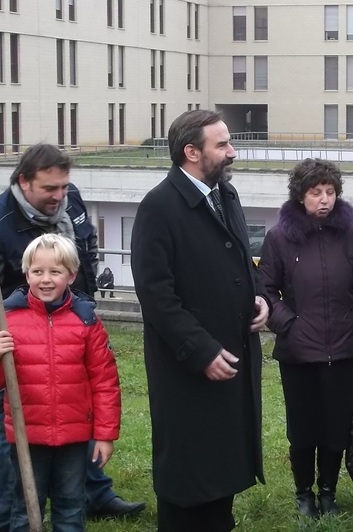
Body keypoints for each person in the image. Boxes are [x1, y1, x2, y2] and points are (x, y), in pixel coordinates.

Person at [0, 143, 143, 530]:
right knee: (20, 462)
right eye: (49, 189)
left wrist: (84, 310)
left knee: (74, 421)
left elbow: (85, 254)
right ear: (24, 182)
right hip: (19, 348)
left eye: (64, 186)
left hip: (70, 327)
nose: (60, 196)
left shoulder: (68, 200)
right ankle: (4, 523)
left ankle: (97, 495)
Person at [131, 109, 269, 532]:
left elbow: (240, 261)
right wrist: (201, 350)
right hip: (187, 368)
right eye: (223, 145)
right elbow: (156, 296)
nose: (233, 153)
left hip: (231, 357)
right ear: (191, 152)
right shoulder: (158, 207)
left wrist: (258, 295)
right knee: (188, 475)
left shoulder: (225, 195)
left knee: (221, 467)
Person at [259, 158, 353, 518]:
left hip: (345, 350)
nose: (324, 200)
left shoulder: (352, 234)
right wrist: (288, 324)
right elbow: (265, 289)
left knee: (336, 427)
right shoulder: (279, 237)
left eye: (330, 192)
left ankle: (328, 493)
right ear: (301, 196)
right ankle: (304, 494)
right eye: (316, 192)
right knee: (302, 429)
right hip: (298, 352)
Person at [0, 234, 122, 532]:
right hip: (27, 437)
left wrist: (105, 435)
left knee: (70, 506)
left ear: (71, 275)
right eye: (38, 271)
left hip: (74, 437)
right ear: (26, 273)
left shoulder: (85, 320)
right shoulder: (9, 319)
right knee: (26, 508)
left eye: (55, 272)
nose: (45, 279)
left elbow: (105, 381)